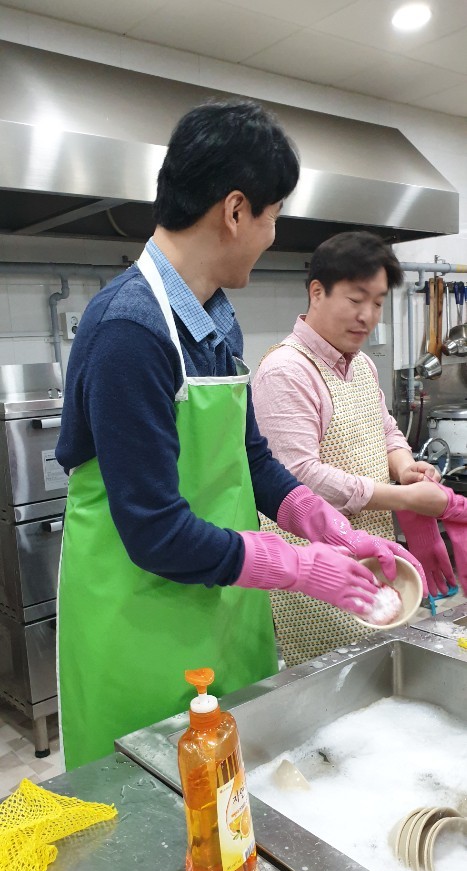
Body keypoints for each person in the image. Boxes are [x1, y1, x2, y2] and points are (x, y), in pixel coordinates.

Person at [56, 105, 426, 771]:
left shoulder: (214, 320)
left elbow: (250, 457)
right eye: (272, 215)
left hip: (223, 607)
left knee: (236, 788)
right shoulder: (129, 330)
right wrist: (299, 567)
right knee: (156, 803)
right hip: (139, 626)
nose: (272, 233)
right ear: (234, 211)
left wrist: (326, 526)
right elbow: (154, 532)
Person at [253, 231, 463, 666]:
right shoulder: (286, 371)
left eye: (378, 303)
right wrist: (406, 498)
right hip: (316, 565)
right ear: (317, 291)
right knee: (330, 677)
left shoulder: (362, 363)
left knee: (377, 669)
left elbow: (386, 430)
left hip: (373, 550)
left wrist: (404, 467)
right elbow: (298, 477)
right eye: (355, 299)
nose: (367, 316)